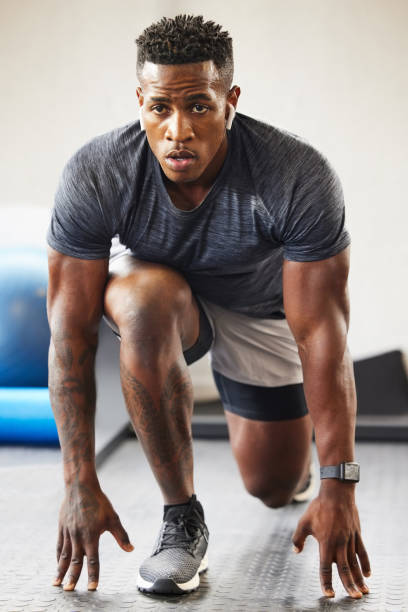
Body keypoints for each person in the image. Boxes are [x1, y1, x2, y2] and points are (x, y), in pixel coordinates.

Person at [47, 14, 371, 599]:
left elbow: (321, 334)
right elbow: (70, 335)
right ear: (140, 101)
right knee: (144, 303)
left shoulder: (295, 175)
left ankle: (291, 472)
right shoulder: (98, 172)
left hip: (261, 310)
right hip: (164, 297)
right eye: (160, 108)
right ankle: (180, 522)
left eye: (199, 105)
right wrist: (77, 480)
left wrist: (337, 487)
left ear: (230, 101)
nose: (177, 131)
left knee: (271, 486)